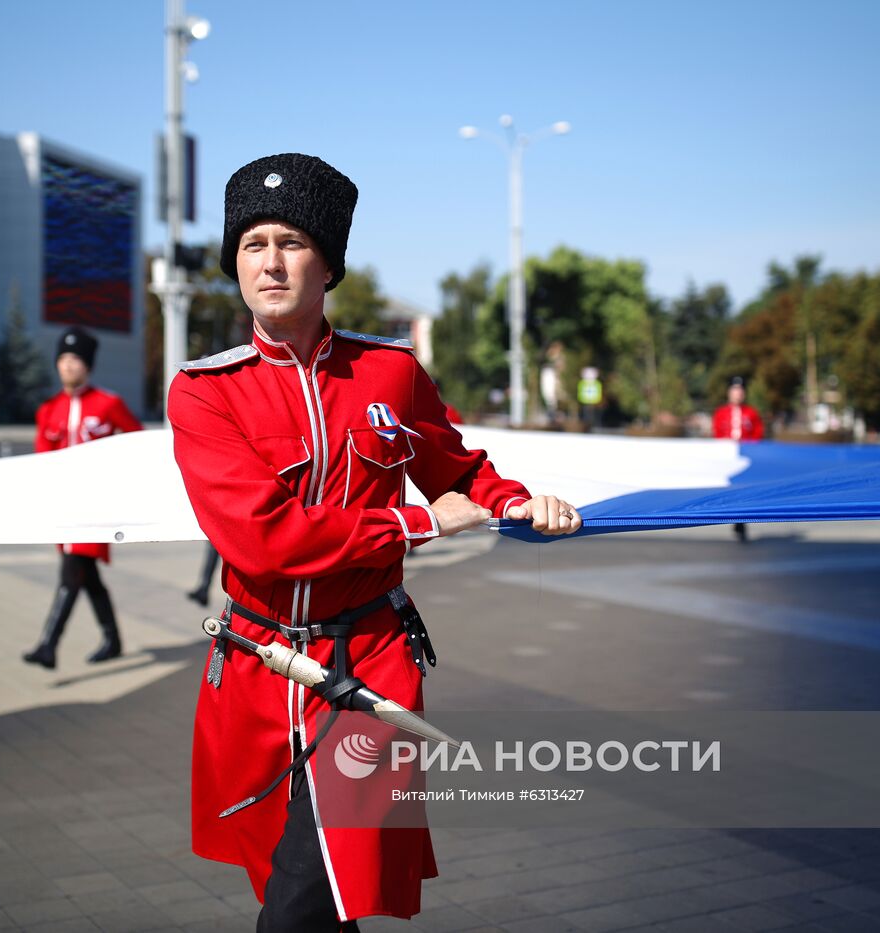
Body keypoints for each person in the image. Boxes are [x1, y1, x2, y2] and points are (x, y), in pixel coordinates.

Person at [168, 153, 582, 930]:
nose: (270, 261)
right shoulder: (203, 391)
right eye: (253, 244)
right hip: (256, 673)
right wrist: (416, 523)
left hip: (369, 670)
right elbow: (266, 543)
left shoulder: (389, 372)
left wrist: (522, 503)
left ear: (329, 263)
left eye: (290, 241)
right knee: (309, 895)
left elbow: (460, 468)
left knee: (303, 902)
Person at [23, 327, 143, 669]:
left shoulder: (109, 404)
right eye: (63, 359)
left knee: (73, 570)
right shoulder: (48, 410)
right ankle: (113, 639)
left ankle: (48, 645)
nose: (68, 366)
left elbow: (137, 444)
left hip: (95, 508)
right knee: (85, 574)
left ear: (87, 365)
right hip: (64, 510)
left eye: (75, 360)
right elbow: (41, 461)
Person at [712, 376, 765, 542]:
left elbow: (758, 433)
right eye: (735, 390)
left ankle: (740, 520)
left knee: (743, 490)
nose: (738, 393)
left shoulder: (751, 413)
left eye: (741, 390)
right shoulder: (721, 413)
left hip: (745, 457)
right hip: (728, 456)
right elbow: (717, 433)